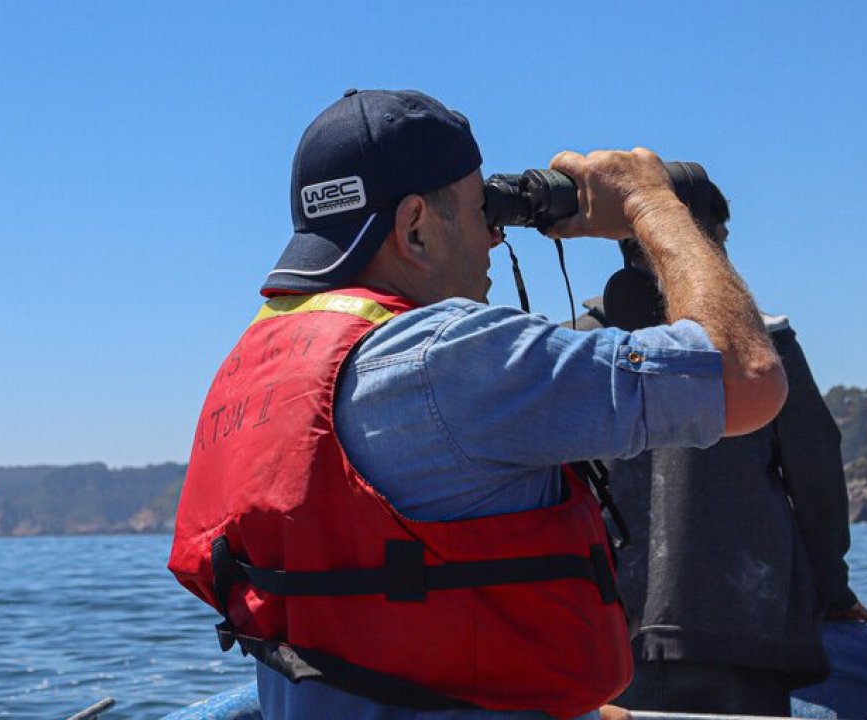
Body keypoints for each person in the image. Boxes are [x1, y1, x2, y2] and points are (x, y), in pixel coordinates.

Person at [167, 88, 787, 720]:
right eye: (477, 209)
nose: (494, 235)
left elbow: (390, 629)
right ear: (414, 227)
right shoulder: (452, 358)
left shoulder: (255, 366)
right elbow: (745, 377)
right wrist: (649, 202)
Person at [571, 172, 867, 716]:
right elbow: (816, 477)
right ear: (708, 242)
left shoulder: (576, 346)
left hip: (607, 638)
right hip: (742, 634)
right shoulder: (762, 344)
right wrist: (834, 594)